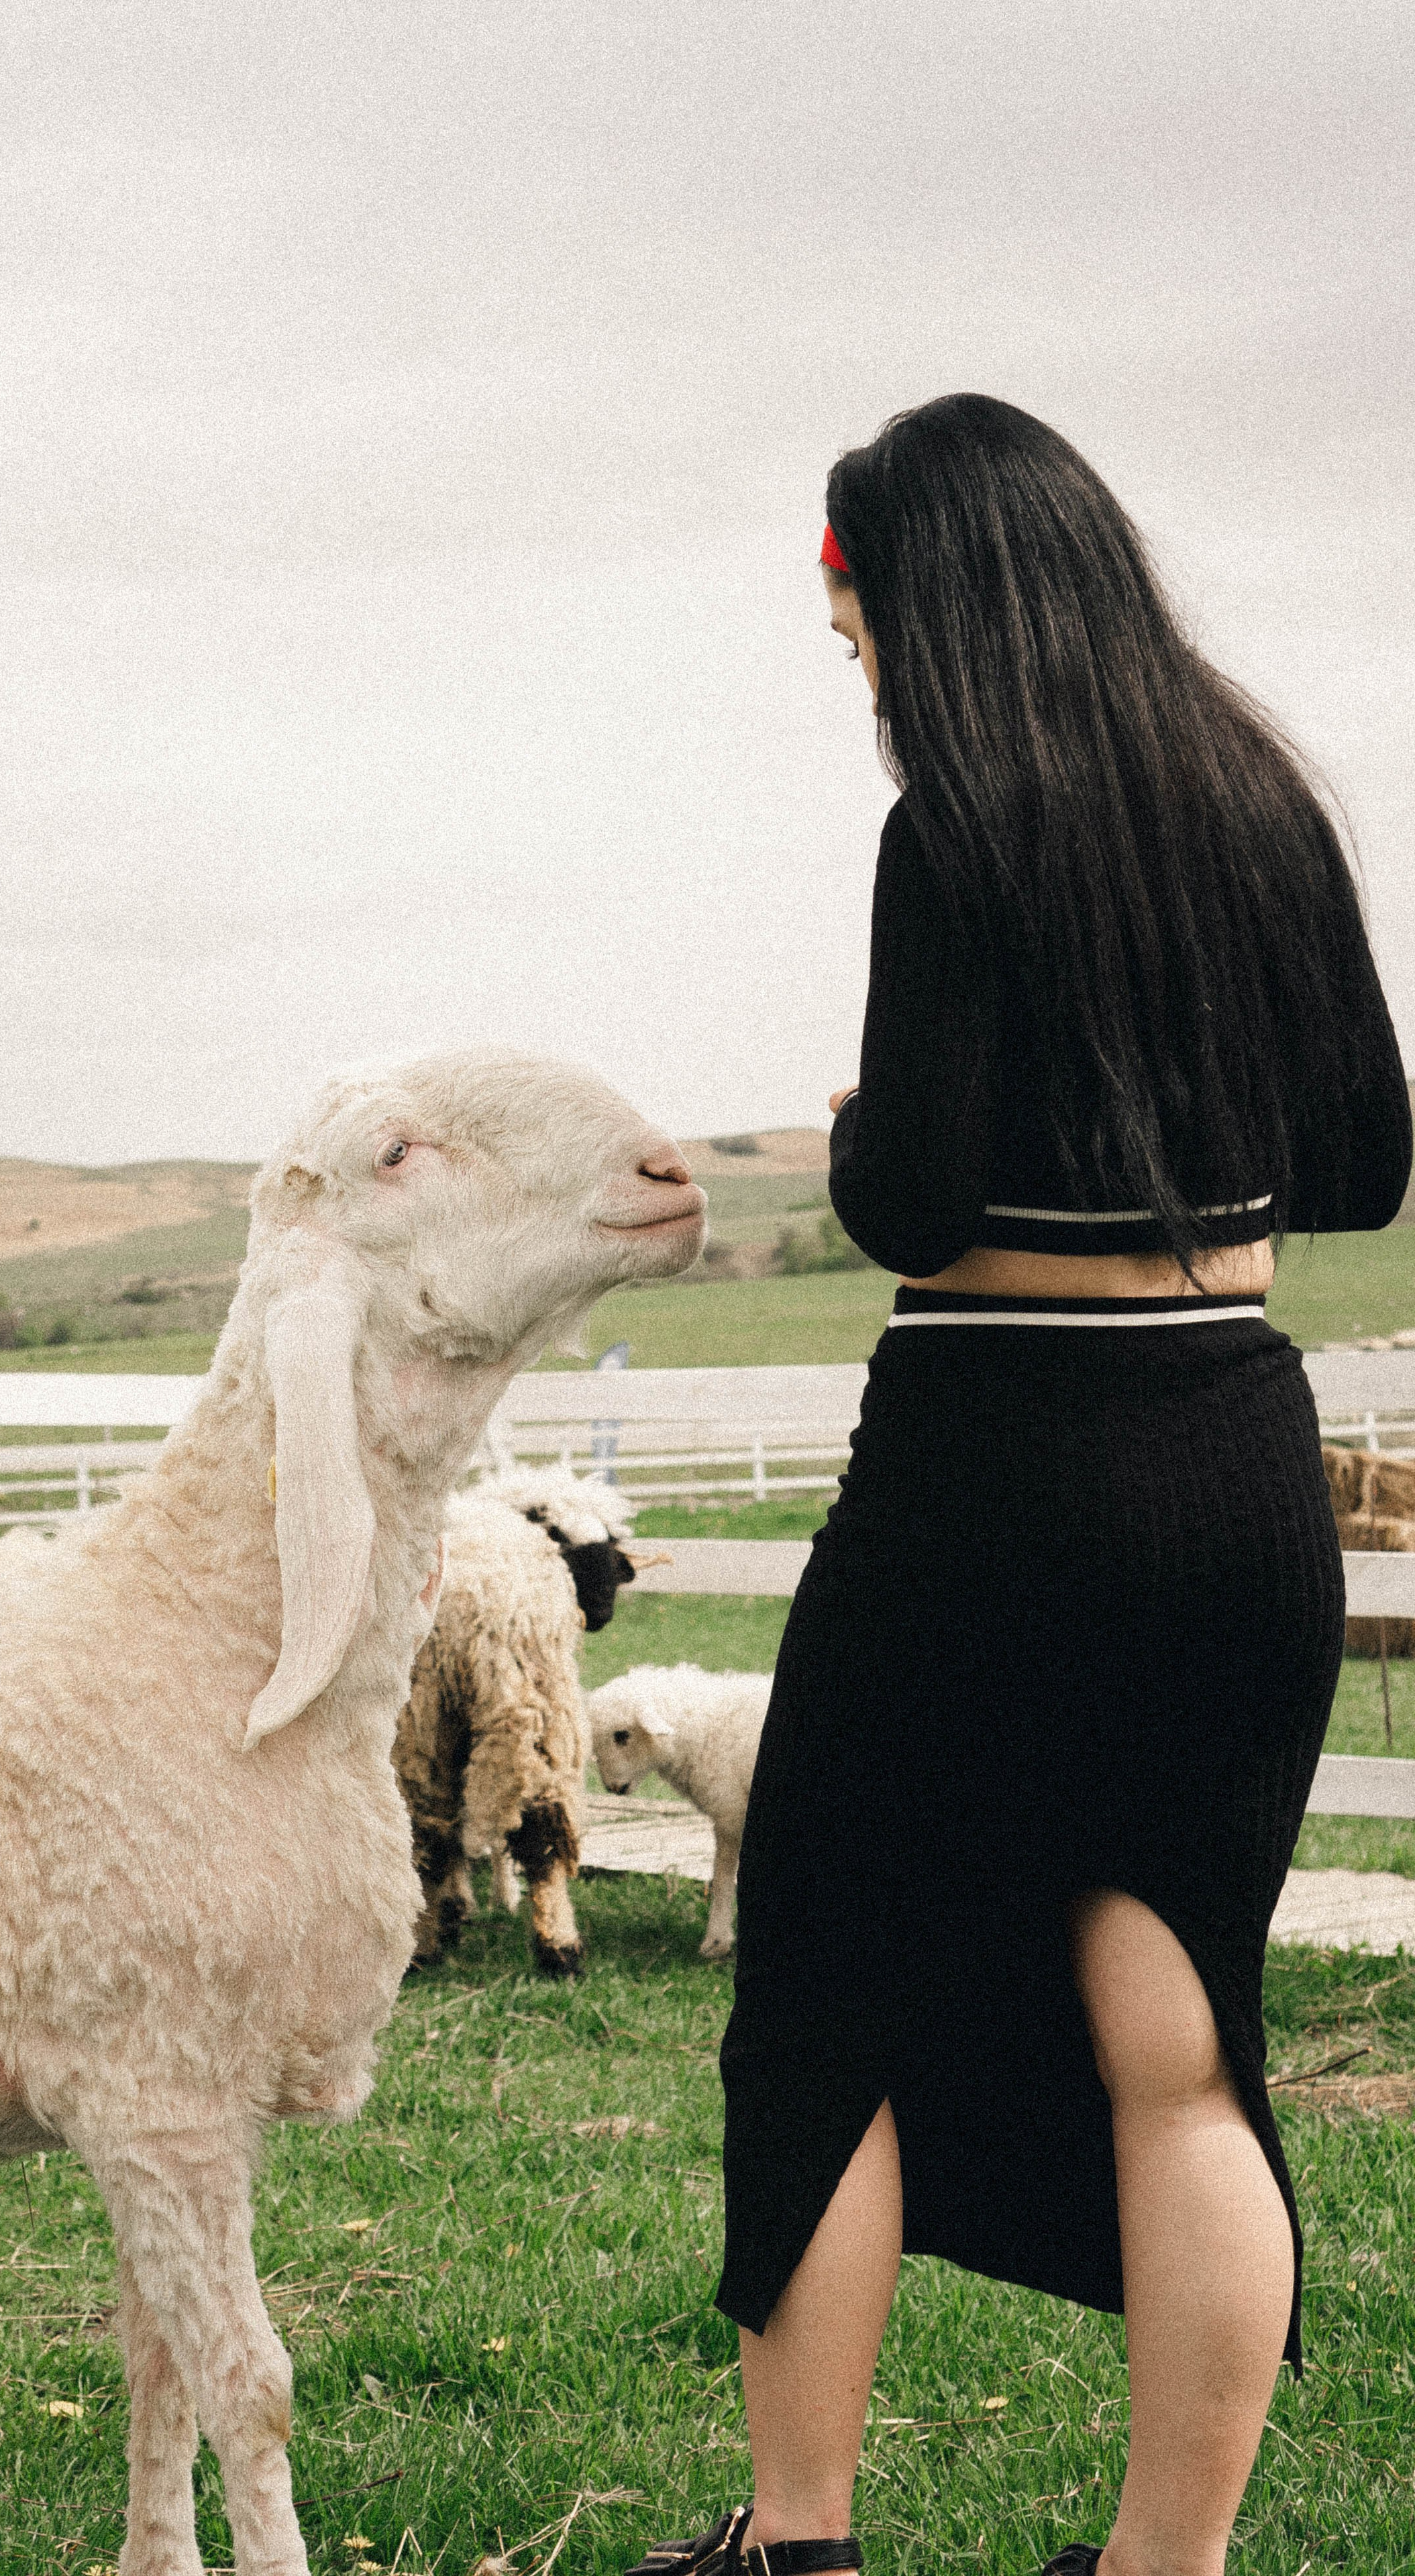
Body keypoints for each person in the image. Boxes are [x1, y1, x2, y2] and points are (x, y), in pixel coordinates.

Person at [625, 396, 1411, 2576]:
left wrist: (882, 1114)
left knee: (830, 1997)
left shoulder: (955, 832)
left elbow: (910, 1201)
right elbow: (1363, 1160)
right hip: (1237, 1463)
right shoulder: (1266, 804)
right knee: (1181, 2035)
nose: (857, 658)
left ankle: (796, 2543)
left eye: (853, 612)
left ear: (925, 598)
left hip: (992, 1468)